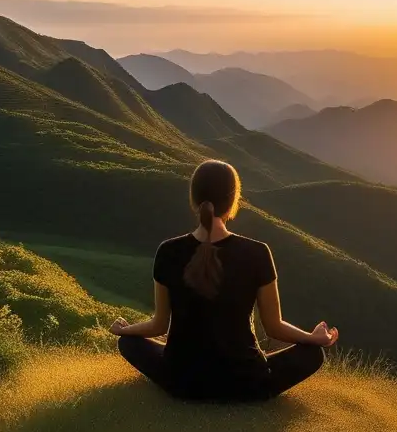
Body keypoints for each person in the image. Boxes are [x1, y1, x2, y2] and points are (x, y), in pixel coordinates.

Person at [110, 159, 338, 402]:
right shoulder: (258, 252)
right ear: (233, 202)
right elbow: (273, 327)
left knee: (128, 344)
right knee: (313, 354)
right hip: (245, 383)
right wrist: (313, 338)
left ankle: (175, 355)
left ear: (194, 201)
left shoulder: (168, 251)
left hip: (181, 382)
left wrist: (126, 330)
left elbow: (159, 325)